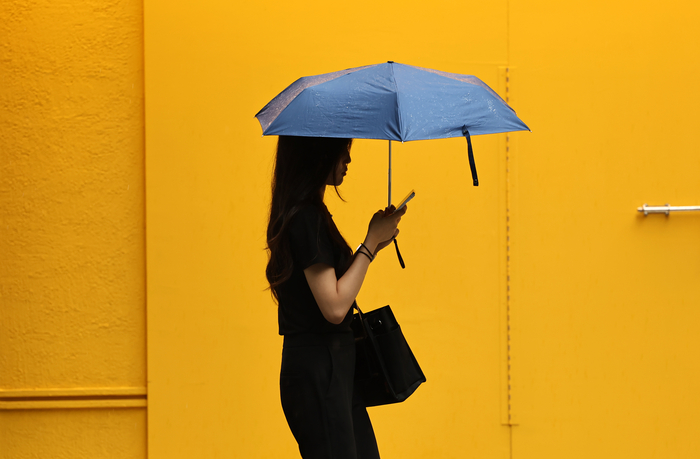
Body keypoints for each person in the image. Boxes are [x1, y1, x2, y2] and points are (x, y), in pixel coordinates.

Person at [266, 136, 407, 459]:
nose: (348, 160)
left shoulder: (311, 214)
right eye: (343, 150)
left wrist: (375, 243)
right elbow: (334, 306)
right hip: (319, 370)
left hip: (332, 369)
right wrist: (370, 243)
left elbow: (333, 290)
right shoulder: (304, 218)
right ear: (319, 153)